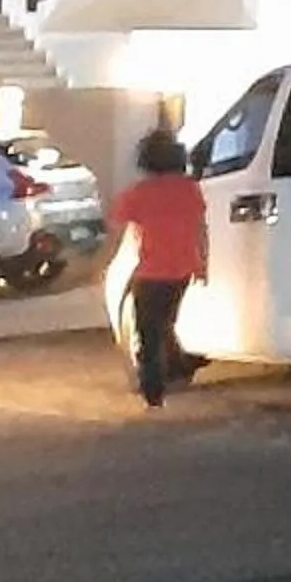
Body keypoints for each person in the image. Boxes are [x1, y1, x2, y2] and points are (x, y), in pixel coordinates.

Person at [109, 128, 209, 409]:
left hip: (151, 270)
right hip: (182, 269)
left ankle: (154, 389)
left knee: (148, 330)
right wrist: (203, 264)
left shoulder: (139, 194)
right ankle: (179, 364)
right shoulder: (190, 189)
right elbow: (201, 229)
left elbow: (116, 226)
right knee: (165, 321)